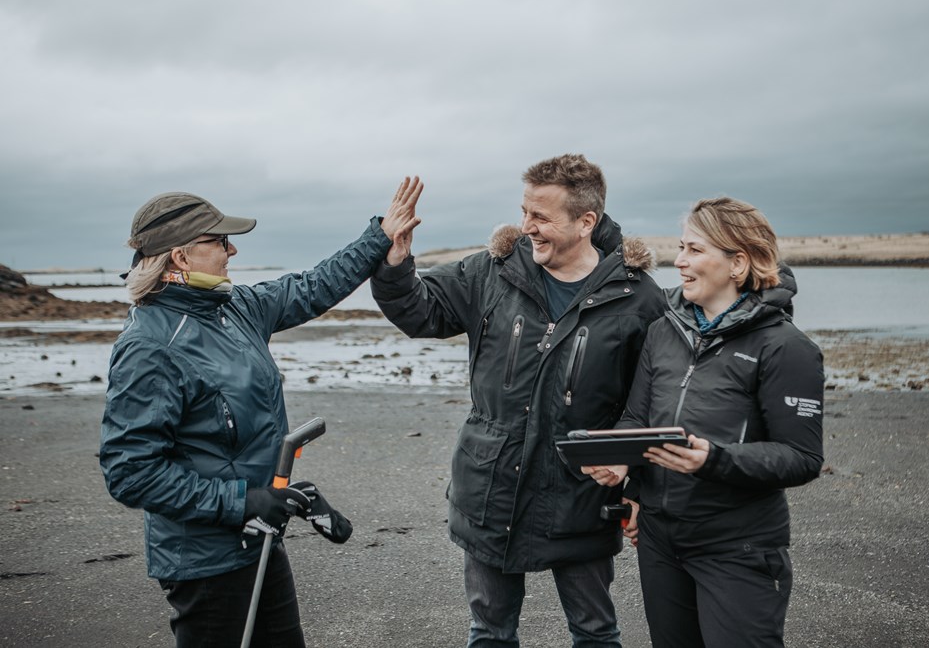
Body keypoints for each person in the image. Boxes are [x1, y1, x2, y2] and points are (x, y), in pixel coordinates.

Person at [100, 179, 422, 647]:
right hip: (205, 561)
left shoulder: (236, 308)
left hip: (259, 539)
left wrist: (380, 236)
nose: (231, 250)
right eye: (219, 240)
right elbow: (130, 472)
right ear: (181, 256)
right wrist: (242, 502)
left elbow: (314, 285)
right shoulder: (149, 347)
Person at [370, 154, 666, 646]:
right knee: (489, 632)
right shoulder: (491, 271)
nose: (526, 226)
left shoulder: (637, 297)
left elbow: (654, 399)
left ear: (586, 222)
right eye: (525, 211)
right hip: (491, 490)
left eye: (542, 217)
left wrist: (637, 482)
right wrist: (396, 263)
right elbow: (421, 312)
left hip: (581, 498)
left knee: (595, 632)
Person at [584, 196, 825, 647]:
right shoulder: (664, 330)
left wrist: (712, 460)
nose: (679, 261)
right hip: (660, 541)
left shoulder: (786, 347)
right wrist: (623, 469)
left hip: (738, 546)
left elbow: (802, 457)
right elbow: (639, 418)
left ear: (738, 263)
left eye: (694, 250)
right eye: (681, 248)